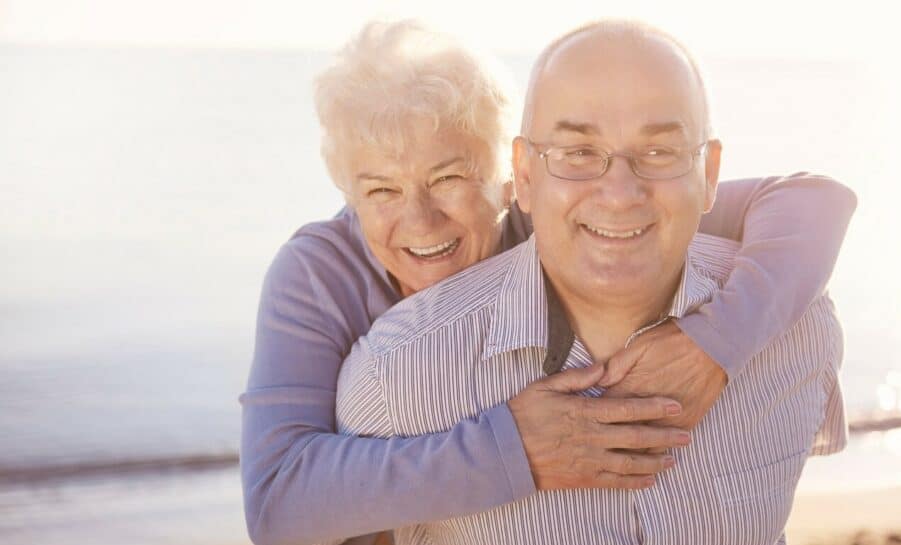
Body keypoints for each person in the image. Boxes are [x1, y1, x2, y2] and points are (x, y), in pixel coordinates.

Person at [240, 20, 856, 545]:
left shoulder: (584, 218)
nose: (420, 219)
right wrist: (513, 450)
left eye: (450, 177)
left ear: (511, 179)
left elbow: (811, 203)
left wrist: (716, 342)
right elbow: (277, 501)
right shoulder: (322, 279)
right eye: (379, 190)